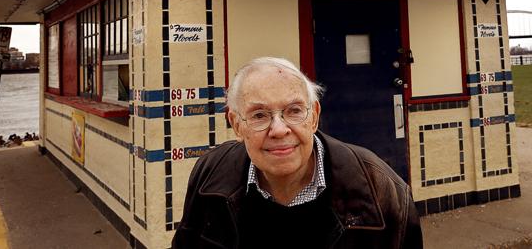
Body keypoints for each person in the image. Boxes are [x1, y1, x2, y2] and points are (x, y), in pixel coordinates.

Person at [172, 57, 423, 248]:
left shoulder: (384, 190)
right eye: (259, 115)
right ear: (237, 125)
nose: (279, 130)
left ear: (313, 117)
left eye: (293, 111)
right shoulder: (209, 173)